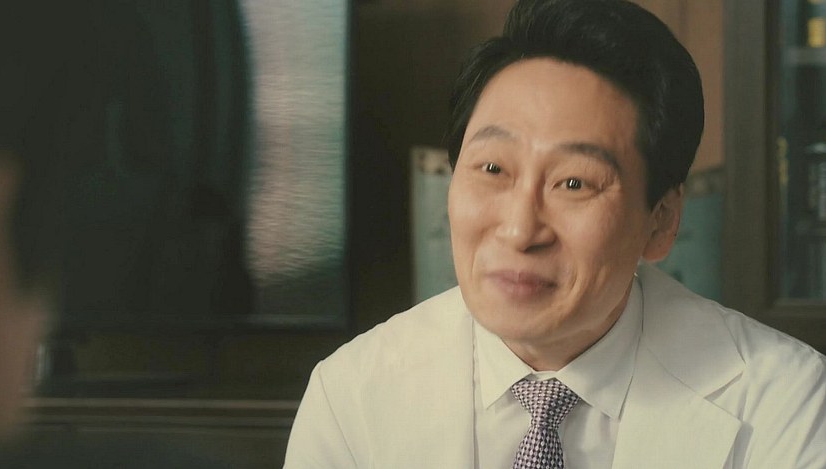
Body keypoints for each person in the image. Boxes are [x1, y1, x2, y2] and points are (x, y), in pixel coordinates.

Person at [285, 0, 826, 467]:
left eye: (574, 182)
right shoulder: (351, 395)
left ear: (660, 220)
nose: (520, 229)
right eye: (492, 169)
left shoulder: (786, 401)